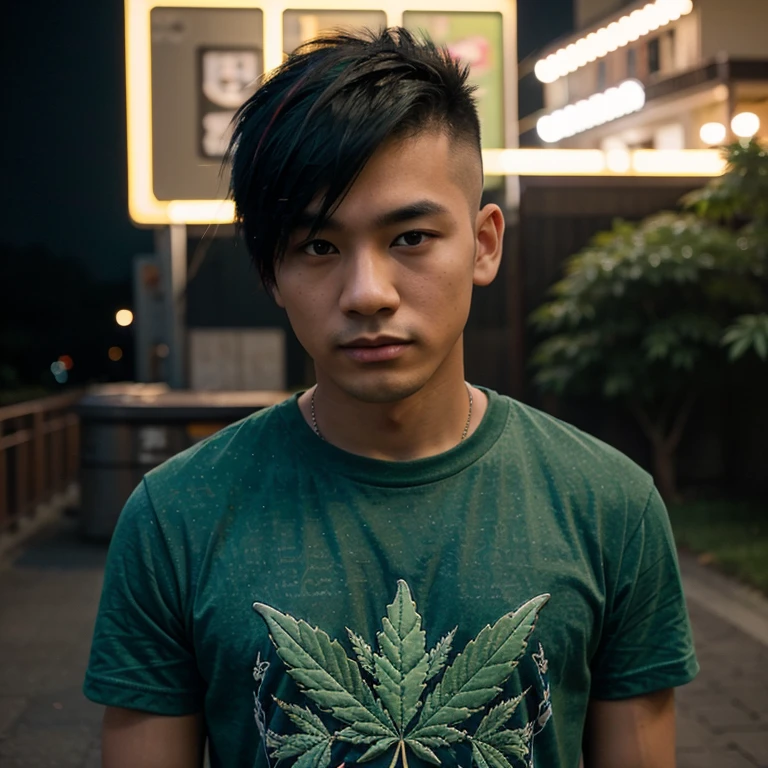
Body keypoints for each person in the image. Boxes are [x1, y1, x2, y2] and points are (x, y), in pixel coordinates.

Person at [84, 28, 698, 768]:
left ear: (483, 243)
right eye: (318, 247)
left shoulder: (610, 507)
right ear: (270, 273)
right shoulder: (174, 519)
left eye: (410, 236)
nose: (367, 293)